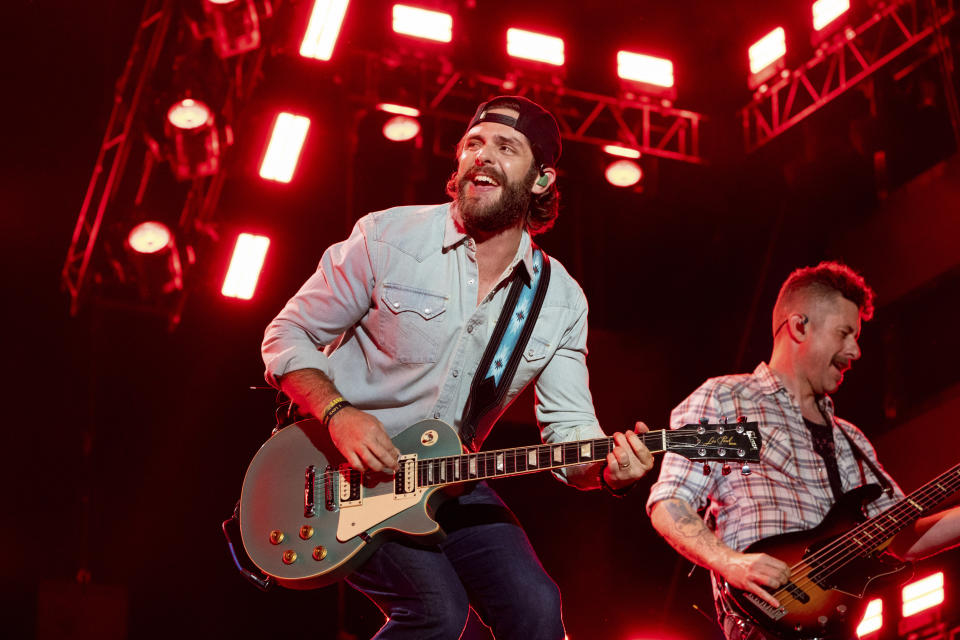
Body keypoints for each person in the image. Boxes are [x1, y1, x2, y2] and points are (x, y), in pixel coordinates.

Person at [261, 95, 655, 640]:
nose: (482, 155)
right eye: (473, 143)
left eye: (505, 147)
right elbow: (287, 334)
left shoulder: (560, 300)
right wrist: (338, 412)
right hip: (341, 471)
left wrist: (611, 472)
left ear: (541, 180)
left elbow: (571, 437)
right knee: (437, 613)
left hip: (446, 475)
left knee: (537, 608)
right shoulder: (387, 237)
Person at [646, 261, 960, 639]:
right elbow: (671, 501)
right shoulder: (727, 400)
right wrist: (730, 563)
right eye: (845, 333)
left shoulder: (852, 441)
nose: (856, 351)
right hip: (761, 626)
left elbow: (904, 536)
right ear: (798, 326)